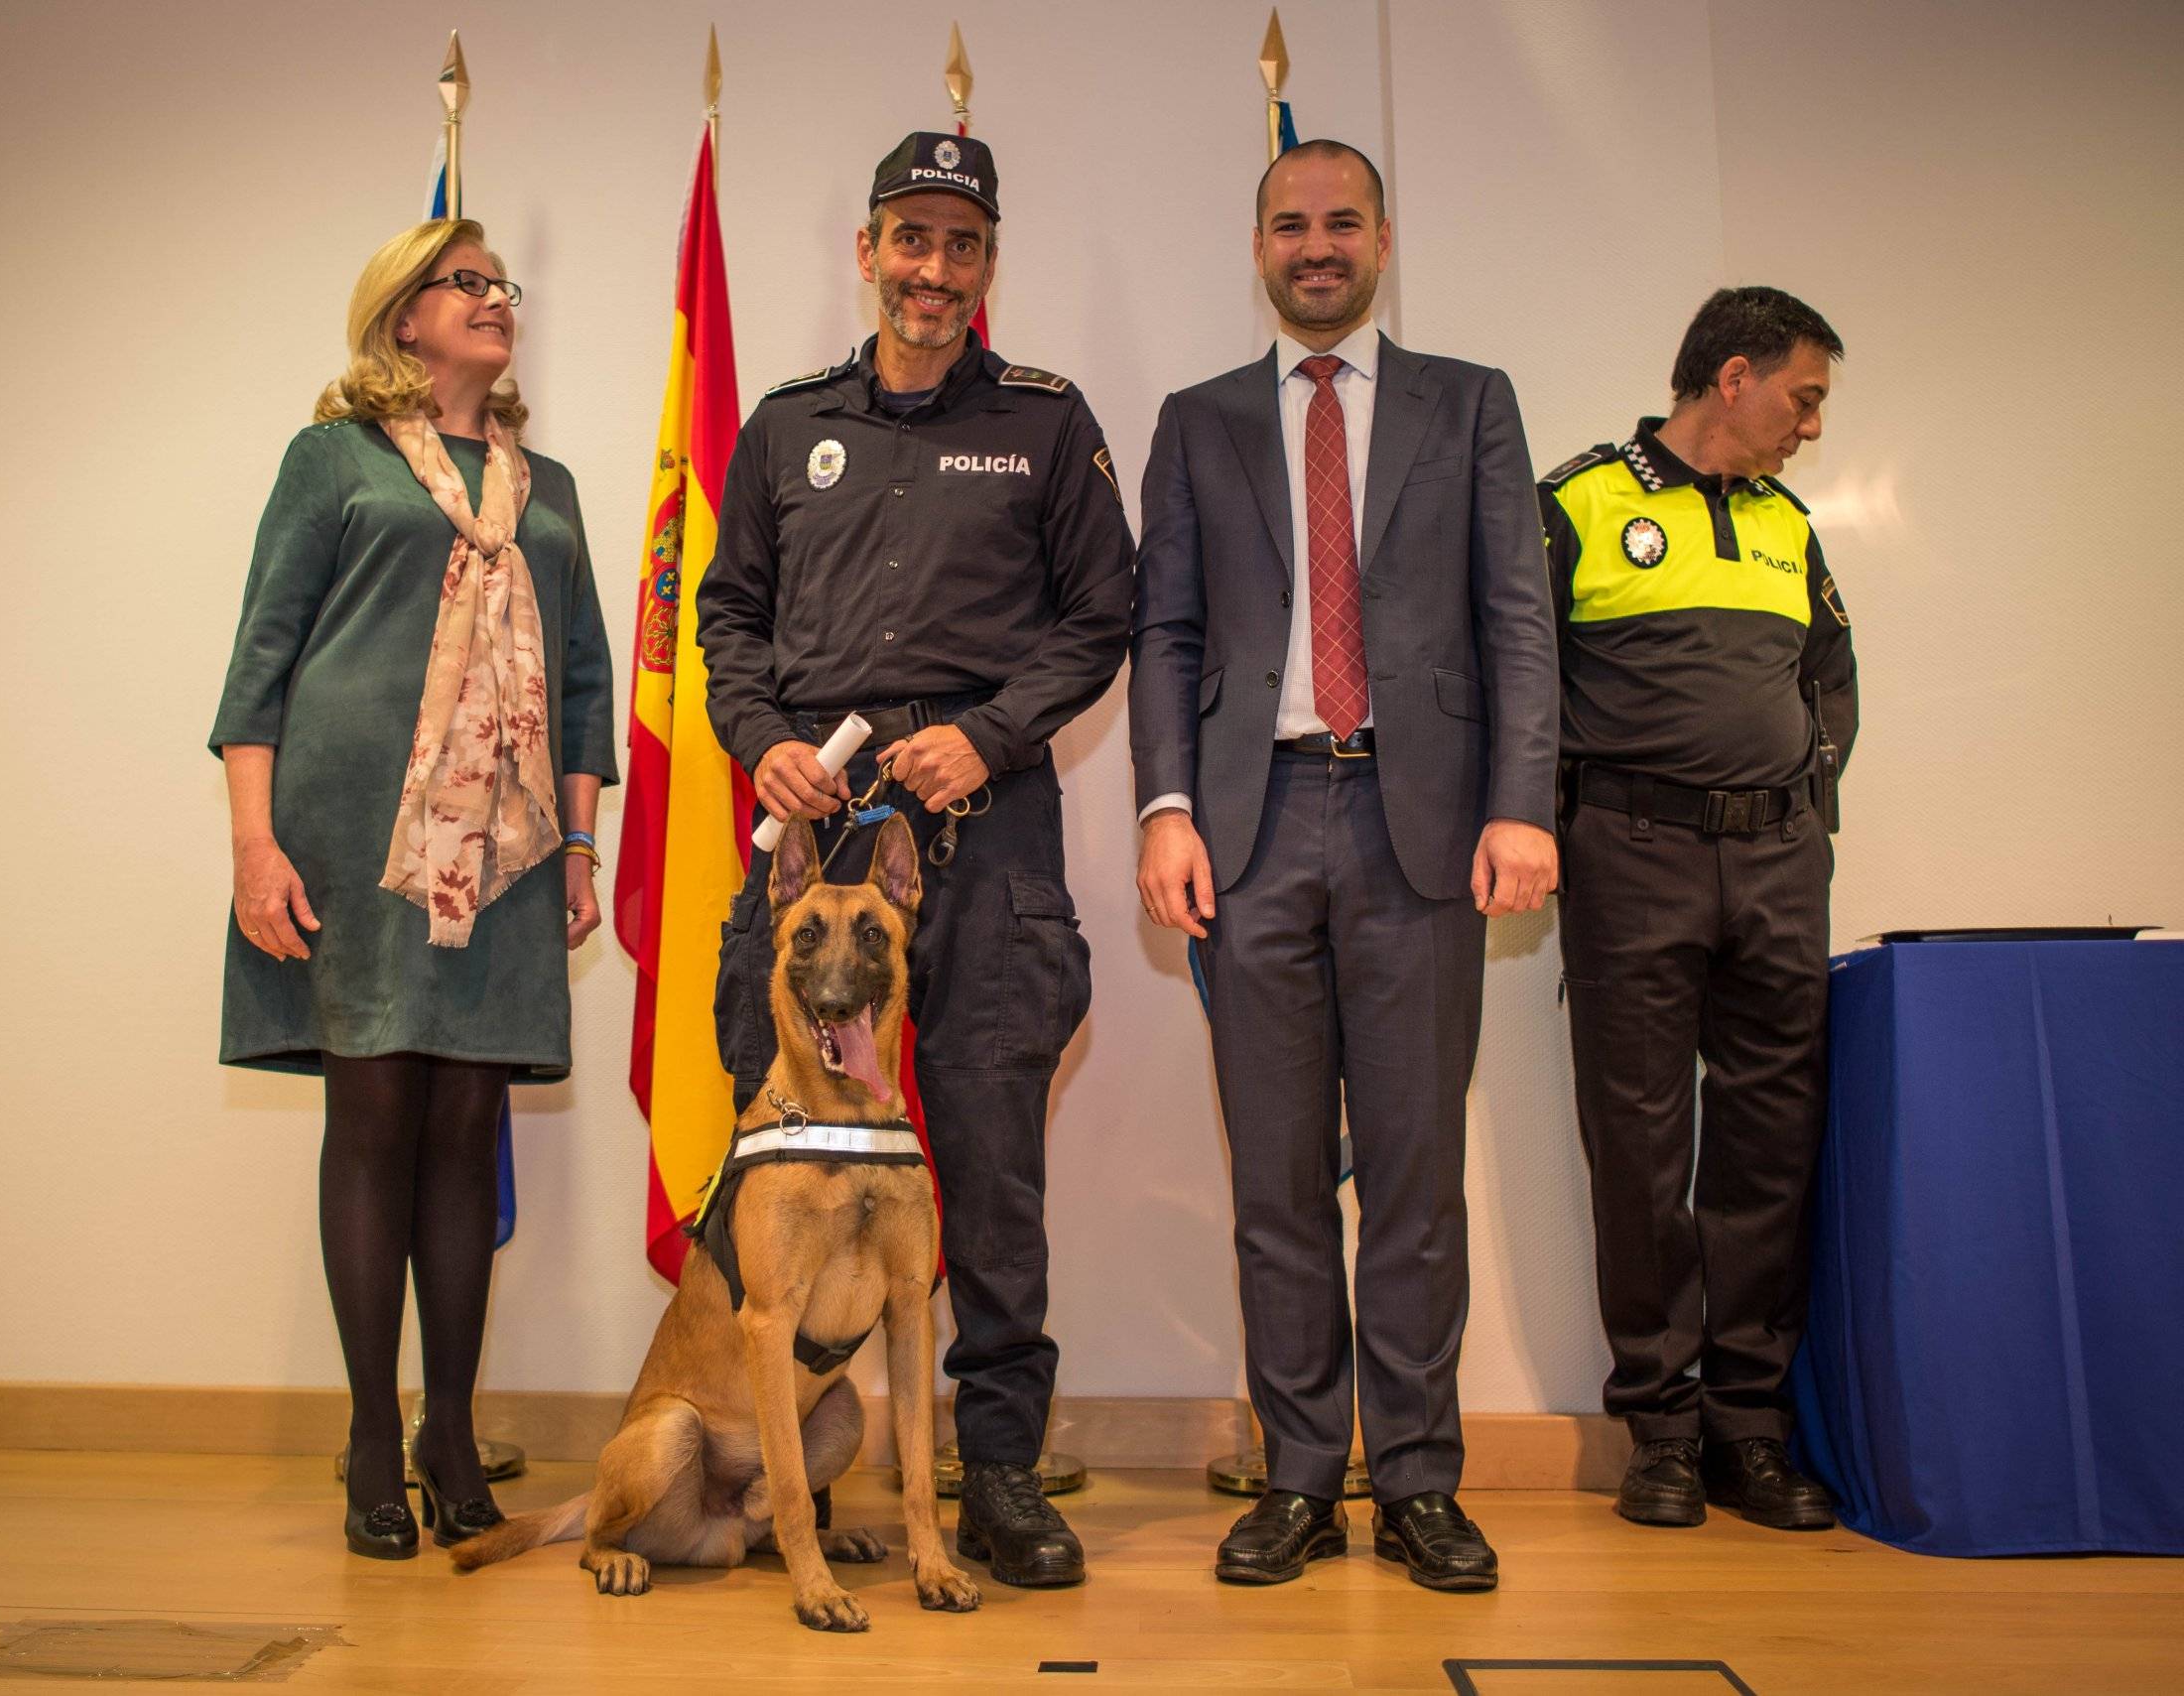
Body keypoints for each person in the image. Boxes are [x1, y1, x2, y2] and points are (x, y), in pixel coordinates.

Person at [696, 131, 1134, 1590]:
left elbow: (1099, 618)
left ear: (986, 264)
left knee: (993, 1167)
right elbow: (728, 618)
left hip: (984, 840)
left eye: (961, 245)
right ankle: (765, 1454)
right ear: (868, 250)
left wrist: (994, 736)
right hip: (815, 853)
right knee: (789, 1158)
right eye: (910, 239)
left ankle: (998, 1473)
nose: (932, 270)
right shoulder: (783, 424)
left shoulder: (1047, 420)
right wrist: (761, 736)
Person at [1129, 140, 1559, 1593]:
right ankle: (1304, 1476)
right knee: (1279, 1180)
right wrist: (1165, 808)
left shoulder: (1472, 405)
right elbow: (1168, 636)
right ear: (1257, 242)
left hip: (1421, 829)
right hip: (1249, 831)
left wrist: (1522, 802)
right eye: (1289, 224)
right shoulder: (1197, 422)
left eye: (1341, 222)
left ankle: (1422, 1479)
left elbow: (1519, 622)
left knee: (1419, 1178)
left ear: (1383, 235)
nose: (1316, 246)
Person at [208, 218, 615, 1558]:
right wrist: (253, 846)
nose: (497, 303)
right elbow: (261, 661)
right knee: (376, 1117)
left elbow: (587, 683)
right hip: (353, 844)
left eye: (503, 287)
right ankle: (371, 1436)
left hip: (502, 854)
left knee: (463, 1127)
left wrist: (581, 844)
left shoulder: (542, 481)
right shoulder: (331, 459)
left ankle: (451, 1426)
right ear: (402, 321)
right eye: (469, 285)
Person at [1537, 286, 1858, 1533]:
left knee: (1769, 1150)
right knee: (1640, 1150)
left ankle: (1747, 1430)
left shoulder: (1790, 524)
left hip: (1776, 865)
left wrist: (1805, 811)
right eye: (1803, 396)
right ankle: (1660, 1432)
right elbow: (1521, 670)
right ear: (1732, 376)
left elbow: (1829, 682)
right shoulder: (1579, 499)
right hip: (1631, 858)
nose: (1809, 425)